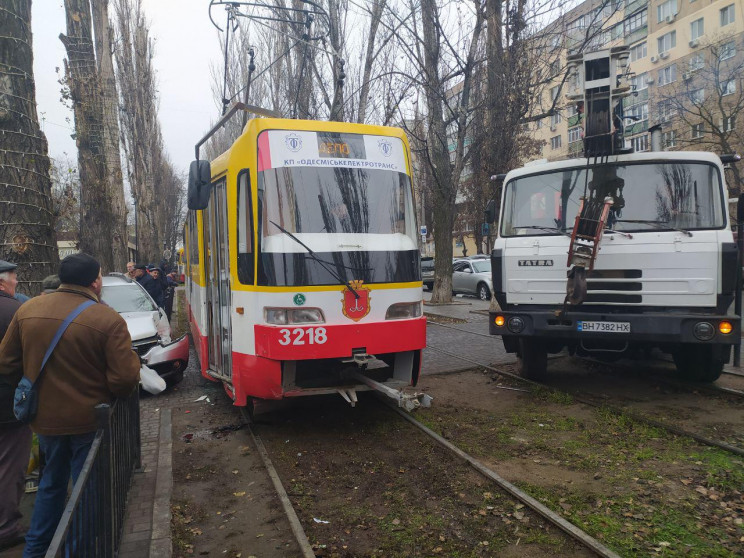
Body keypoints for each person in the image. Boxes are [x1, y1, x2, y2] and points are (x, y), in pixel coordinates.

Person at [0, 253, 140, 557]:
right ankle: (76, 551)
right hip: (90, 421)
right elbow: (124, 379)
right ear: (95, 281)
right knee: (85, 492)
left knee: (51, 484)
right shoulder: (106, 318)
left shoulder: (28, 310)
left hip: (46, 421)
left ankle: (35, 550)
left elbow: (7, 363)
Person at [0, 260, 31, 552]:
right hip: (8, 407)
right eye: (13, 280)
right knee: (10, 466)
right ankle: (7, 527)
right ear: (1, 283)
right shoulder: (15, 312)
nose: (16, 285)